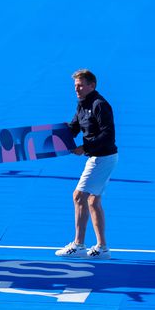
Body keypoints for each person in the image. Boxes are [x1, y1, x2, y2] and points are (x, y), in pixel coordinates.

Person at [56, 69, 118, 259]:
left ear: (92, 85)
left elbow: (108, 135)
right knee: (92, 200)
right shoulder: (82, 105)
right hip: (98, 157)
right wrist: (57, 133)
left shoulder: (100, 105)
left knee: (79, 196)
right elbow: (74, 127)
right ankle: (102, 248)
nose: (77, 89)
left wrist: (85, 147)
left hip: (103, 157)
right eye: (75, 85)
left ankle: (78, 245)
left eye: (81, 85)